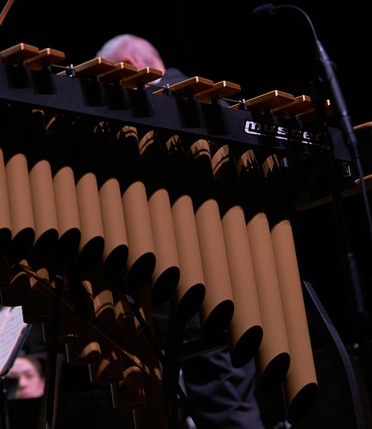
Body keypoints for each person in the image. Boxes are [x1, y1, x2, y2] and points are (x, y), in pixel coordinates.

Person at [96, 33, 265, 429]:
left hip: (201, 277)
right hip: (208, 273)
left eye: (110, 80)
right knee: (221, 397)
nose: (108, 93)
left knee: (223, 401)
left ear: (135, 63)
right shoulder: (190, 103)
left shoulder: (176, 102)